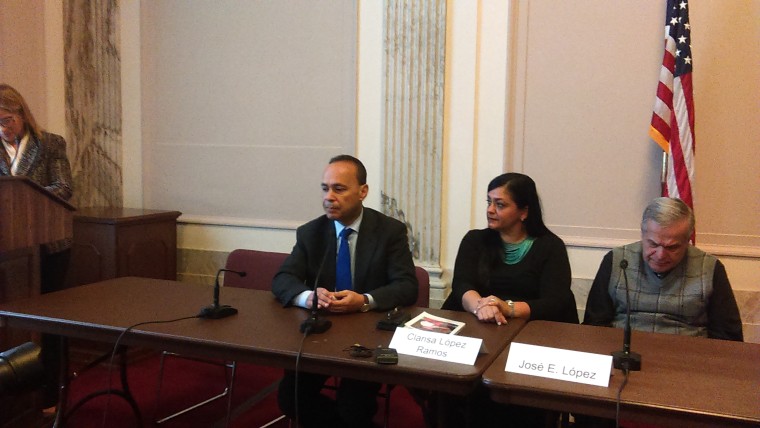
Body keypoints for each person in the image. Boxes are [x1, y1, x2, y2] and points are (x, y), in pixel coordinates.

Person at [272, 154, 418, 428]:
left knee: (354, 405)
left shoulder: (389, 231)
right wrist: (308, 297)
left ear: (363, 192)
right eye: (325, 189)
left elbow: (408, 286)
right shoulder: (310, 233)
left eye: (339, 189)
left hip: (368, 337)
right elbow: (283, 278)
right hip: (321, 335)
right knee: (291, 399)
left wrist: (364, 300)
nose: (329, 197)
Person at [436, 172, 577, 427]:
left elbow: (556, 301)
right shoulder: (474, 240)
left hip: (530, 338)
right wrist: (482, 305)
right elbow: (462, 286)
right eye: (488, 202)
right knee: (454, 384)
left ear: (524, 211)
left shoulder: (550, 247)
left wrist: (507, 307)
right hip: (479, 333)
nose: (490, 210)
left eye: (500, 204)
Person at [0, 83, 74, 410]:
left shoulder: (49, 144)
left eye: (6, 119)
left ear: (21, 113)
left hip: (49, 245)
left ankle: (52, 389)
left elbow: (65, 187)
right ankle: (15, 386)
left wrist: (29, 201)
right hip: (8, 252)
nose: (3, 127)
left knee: (50, 318)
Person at [583, 197, 743, 341]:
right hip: (623, 352)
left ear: (688, 241)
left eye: (672, 247)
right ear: (642, 234)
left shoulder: (709, 268)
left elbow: (727, 336)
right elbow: (595, 324)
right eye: (653, 244)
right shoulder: (617, 260)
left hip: (687, 359)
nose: (660, 255)